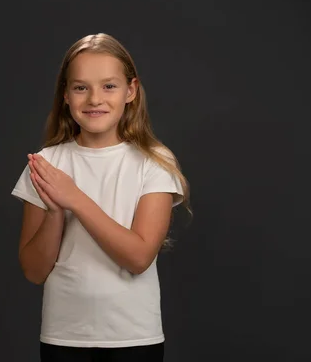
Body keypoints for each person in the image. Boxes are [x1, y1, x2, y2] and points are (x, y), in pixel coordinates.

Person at [11, 33, 191, 361]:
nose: (95, 98)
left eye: (109, 86)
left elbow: (138, 258)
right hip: (63, 338)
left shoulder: (154, 162)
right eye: (81, 87)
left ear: (130, 91)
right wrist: (54, 211)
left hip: (134, 338)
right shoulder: (47, 163)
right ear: (65, 95)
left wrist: (74, 199)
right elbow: (34, 271)